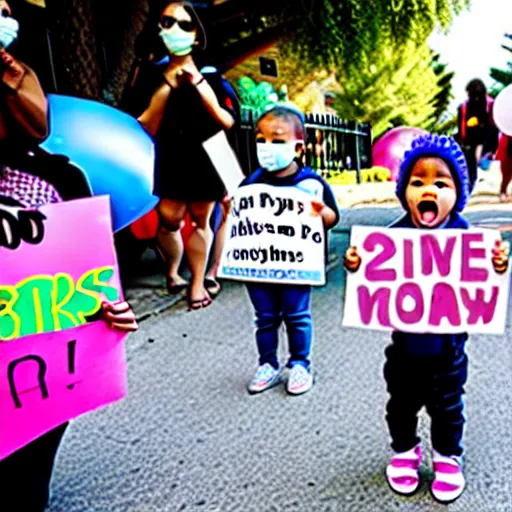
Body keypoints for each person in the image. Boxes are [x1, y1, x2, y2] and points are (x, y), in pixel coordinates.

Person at [0, 4, 138, 510]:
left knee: (25, 482)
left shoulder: (60, 179)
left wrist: (109, 308)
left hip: (32, 370)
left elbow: (91, 280)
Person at [344, 134, 509, 503]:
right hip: (403, 348)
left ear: (458, 193)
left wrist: (498, 263)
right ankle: (405, 452)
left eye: (440, 182)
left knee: (448, 407)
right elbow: (369, 267)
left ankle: (447, 457)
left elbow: (487, 271)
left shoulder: (466, 237)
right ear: (404, 193)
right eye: (417, 183)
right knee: (400, 404)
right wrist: (355, 262)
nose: (427, 190)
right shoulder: (394, 236)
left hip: (448, 351)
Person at [125, 1, 235, 310]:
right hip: (170, 154)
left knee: (205, 218)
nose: (175, 30)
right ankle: (173, 270)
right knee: (169, 218)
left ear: (198, 35)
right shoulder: (149, 73)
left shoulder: (211, 71)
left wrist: (198, 84)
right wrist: (167, 87)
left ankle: (200, 281)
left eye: (185, 25)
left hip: (209, 154)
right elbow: (144, 123)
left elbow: (227, 120)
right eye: (168, 22)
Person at [241, 105, 339, 396]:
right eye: (261, 139)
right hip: (258, 266)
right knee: (265, 318)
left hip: (296, 266)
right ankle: (268, 364)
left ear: (298, 146)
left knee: (297, 316)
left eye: (277, 140)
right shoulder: (251, 183)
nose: (267, 147)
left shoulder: (310, 184)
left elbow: (332, 218)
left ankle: (300, 363)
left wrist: (320, 212)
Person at [457, 78, 499, 191]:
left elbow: (492, 127)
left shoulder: (489, 105)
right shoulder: (465, 107)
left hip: (484, 141)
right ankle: (472, 186)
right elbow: (461, 126)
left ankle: (472, 185)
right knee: (473, 166)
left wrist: (484, 146)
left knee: (475, 166)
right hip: (474, 141)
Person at [496, 133, 512, 202]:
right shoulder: (505, 130)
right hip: (508, 151)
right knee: (506, 175)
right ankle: (503, 192)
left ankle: (503, 192)